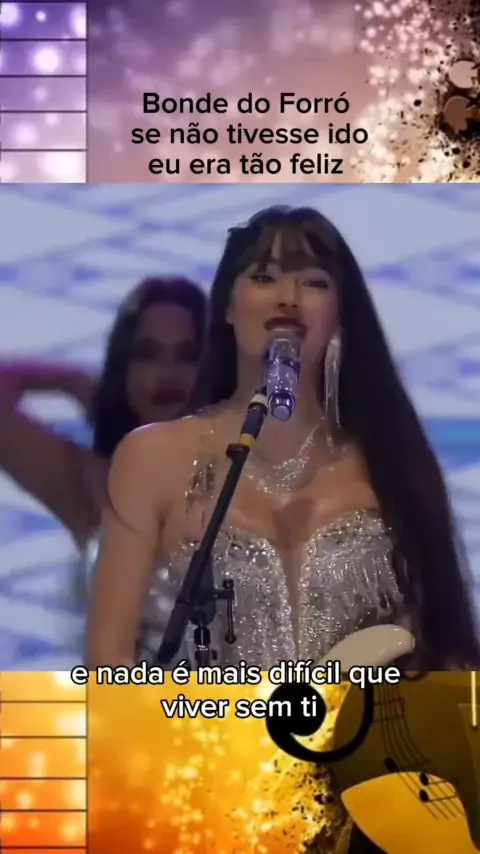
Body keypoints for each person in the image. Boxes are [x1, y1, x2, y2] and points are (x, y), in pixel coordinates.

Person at [87, 205, 480, 673]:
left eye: (314, 282)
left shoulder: (390, 464)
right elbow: (107, 661)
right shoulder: (152, 458)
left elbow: (449, 653)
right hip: (198, 719)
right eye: (264, 277)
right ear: (228, 306)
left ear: (340, 317)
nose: (288, 298)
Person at [0, 275, 207, 613]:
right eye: (146, 355)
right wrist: (71, 381)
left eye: (187, 356)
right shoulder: (90, 483)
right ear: (122, 369)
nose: (167, 373)